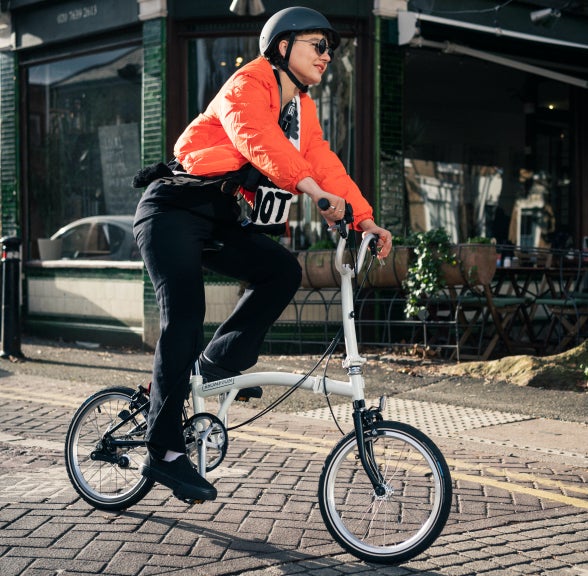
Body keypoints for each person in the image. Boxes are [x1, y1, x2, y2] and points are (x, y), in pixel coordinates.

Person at [133, 6, 393, 502]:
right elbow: (259, 141)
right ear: (281, 46)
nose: (327, 55)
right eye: (318, 45)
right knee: (183, 316)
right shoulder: (246, 85)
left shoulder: (303, 111)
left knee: (281, 270)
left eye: (331, 49)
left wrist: (364, 218)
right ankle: (163, 451)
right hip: (172, 210)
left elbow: (324, 162)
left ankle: (218, 365)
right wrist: (312, 191)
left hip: (222, 217)